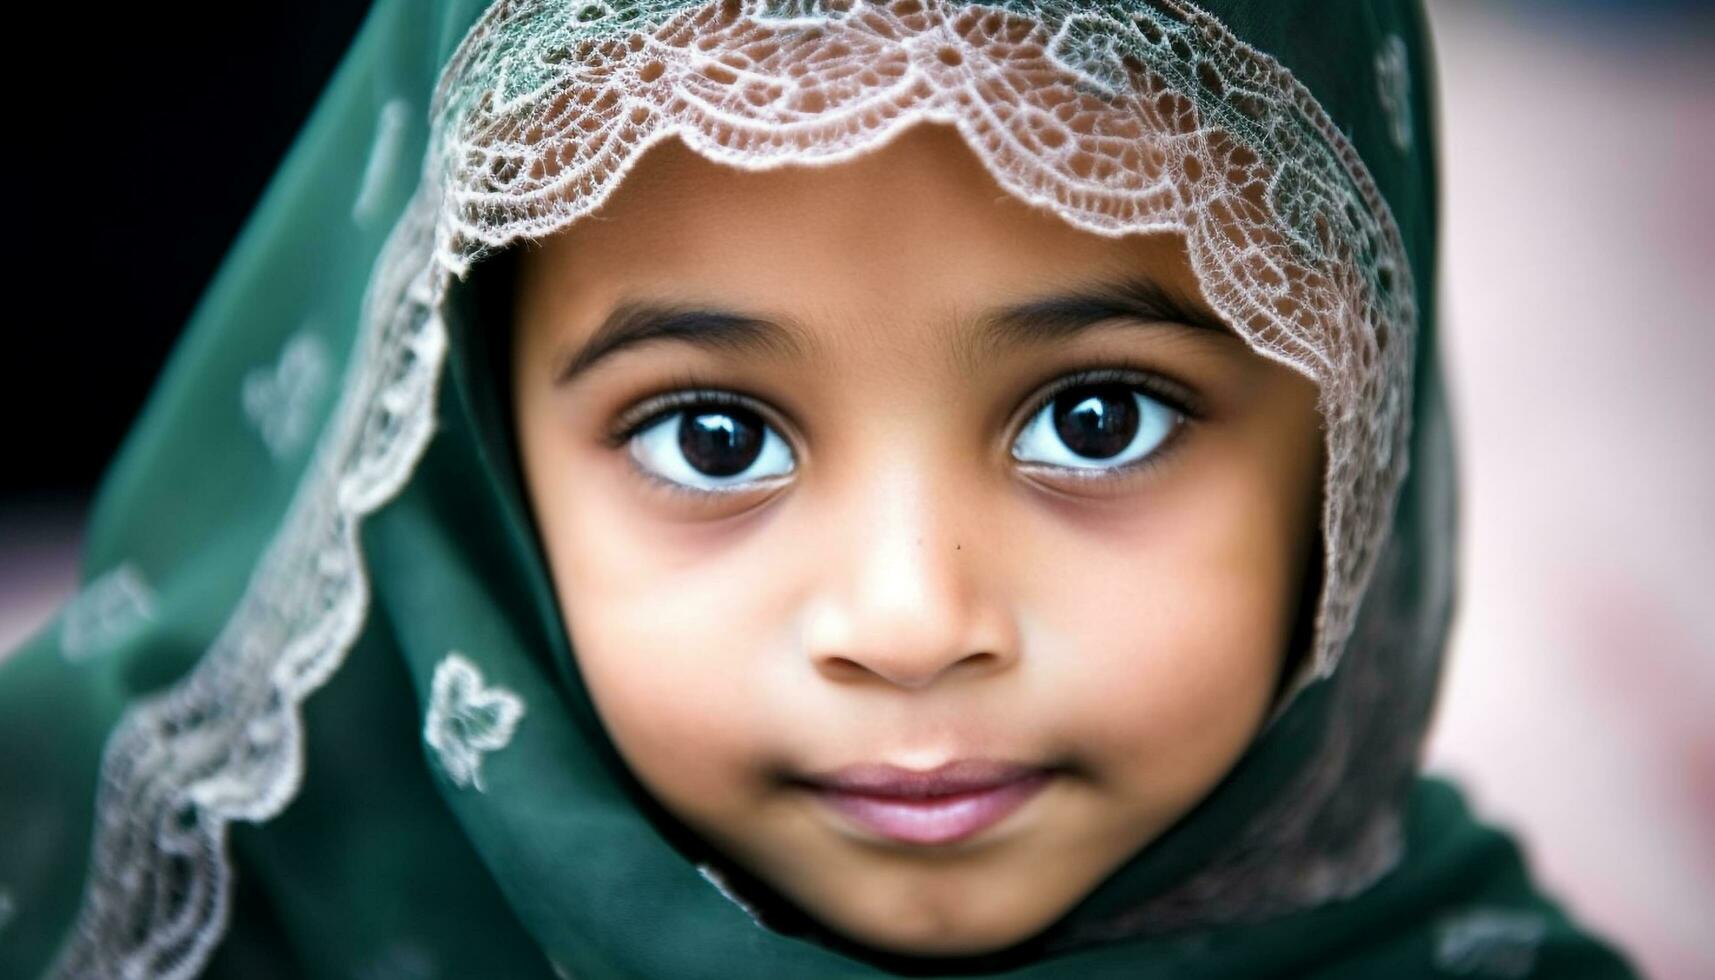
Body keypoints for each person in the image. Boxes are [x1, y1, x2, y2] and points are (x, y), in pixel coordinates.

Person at [0, 0, 1640, 977]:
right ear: (471, 449)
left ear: (1353, 434)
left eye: (1096, 417)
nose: (910, 624)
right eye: (715, 440)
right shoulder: (159, 914)